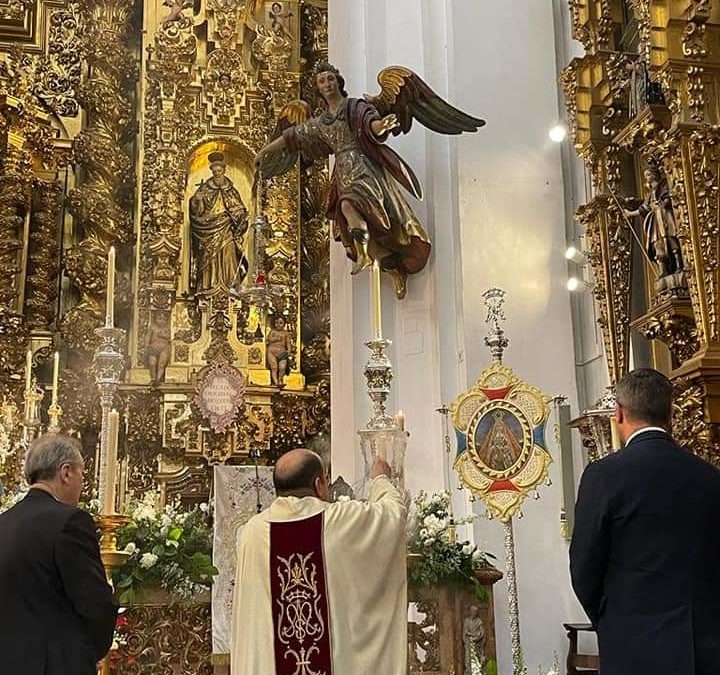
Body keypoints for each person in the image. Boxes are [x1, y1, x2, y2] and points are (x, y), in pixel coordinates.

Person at [570, 368, 720, 675]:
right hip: (703, 646)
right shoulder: (710, 478)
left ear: (619, 414)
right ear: (671, 415)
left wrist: (612, 619)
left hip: (631, 645)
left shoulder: (603, 476)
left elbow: (584, 565)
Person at [231, 448, 407, 675]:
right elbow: (392, 516)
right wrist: (380, 479)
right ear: (319, 485)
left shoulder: (253, 532)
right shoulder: (341, 519)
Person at [0, 434, 118, 675]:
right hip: (56, 665)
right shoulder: (71, 521)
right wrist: (85, 652)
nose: (82, 485)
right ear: (65, 472)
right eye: (82, 475)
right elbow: (96, 603)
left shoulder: (4, 523)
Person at [189, 151, 249, 294]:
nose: (217, 174)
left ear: (224, 171)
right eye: (214, 171)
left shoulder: (231, 190)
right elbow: (196, 212)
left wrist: (240, 215)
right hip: (208, 230)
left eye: (219, 171)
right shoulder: (205, 188)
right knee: (209, 259)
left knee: (229, 255)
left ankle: (230, 286)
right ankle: (207, 287)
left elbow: (239, 208)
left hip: (227, 228)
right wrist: (197, 200)